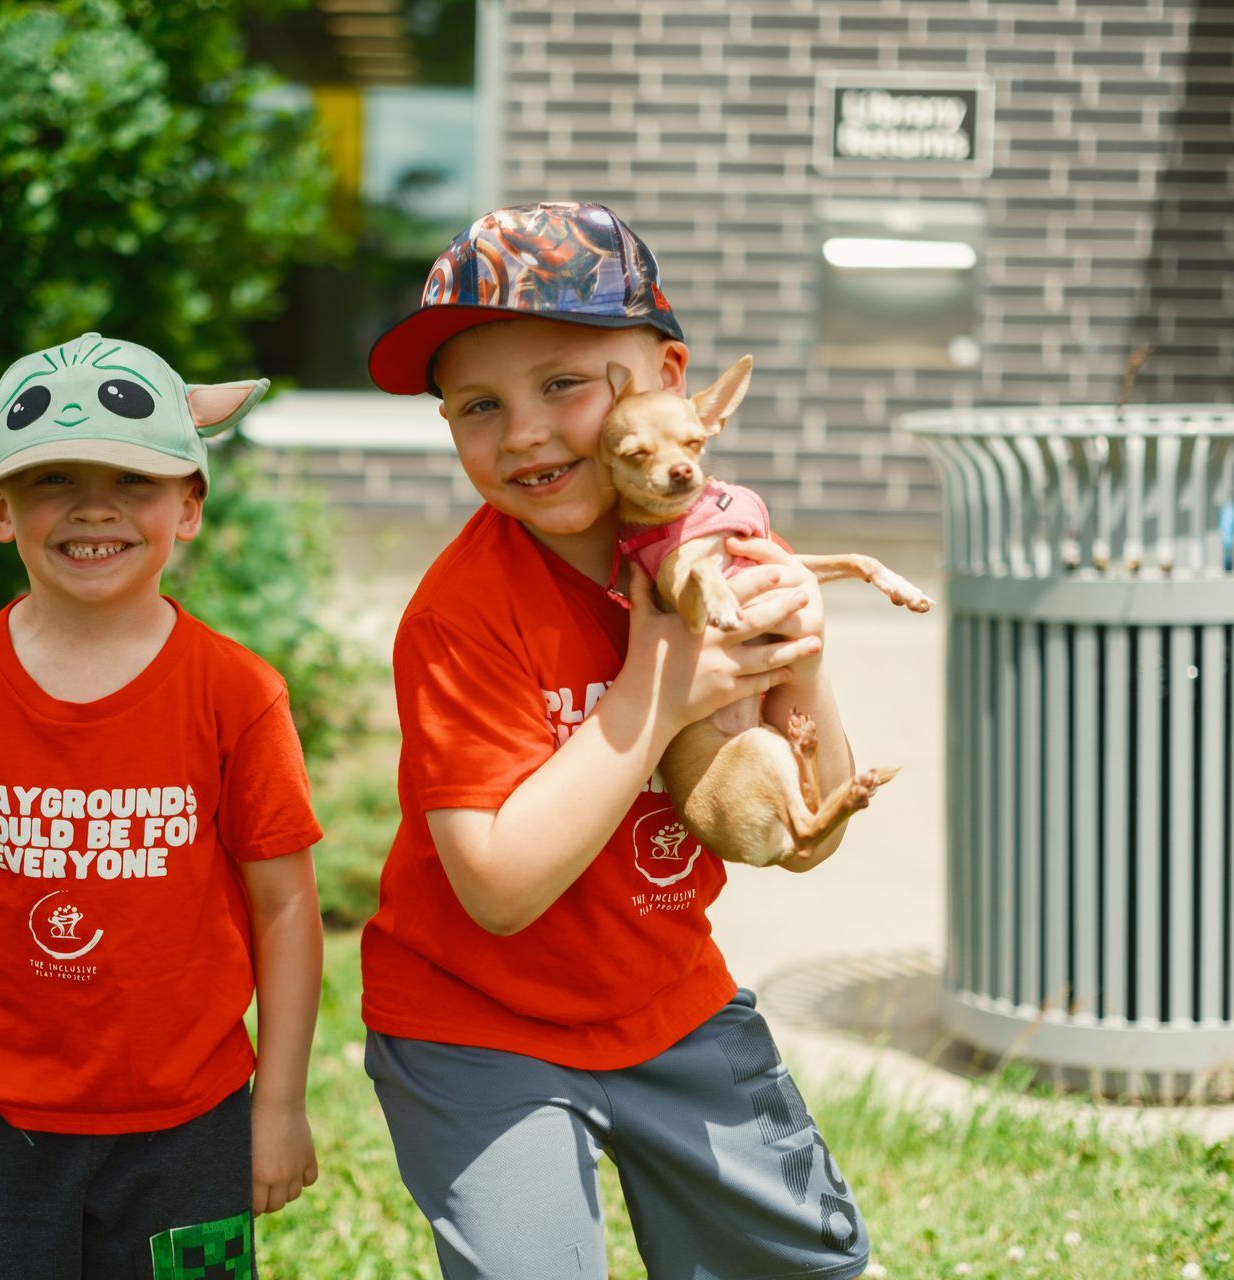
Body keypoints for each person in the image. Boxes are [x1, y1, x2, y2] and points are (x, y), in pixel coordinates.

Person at [360, 203, 872, 1279]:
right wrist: (655, 689)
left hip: (664, 996)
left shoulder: (731, 558)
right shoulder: (461, 613)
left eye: (563, 384)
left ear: (666, 380)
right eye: (477, 406)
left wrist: (803, 661)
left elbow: (802, 831)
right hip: (475, 1024)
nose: (526, 434)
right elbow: (497, 887)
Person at [0, 333, 324, 1279]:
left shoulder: (239, 695)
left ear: (189, 505)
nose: (93, 507)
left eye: (134, 479)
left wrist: (275, 1106)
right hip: (0, 1117)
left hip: (194, 1120)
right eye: (52, 480)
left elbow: (285, 905)